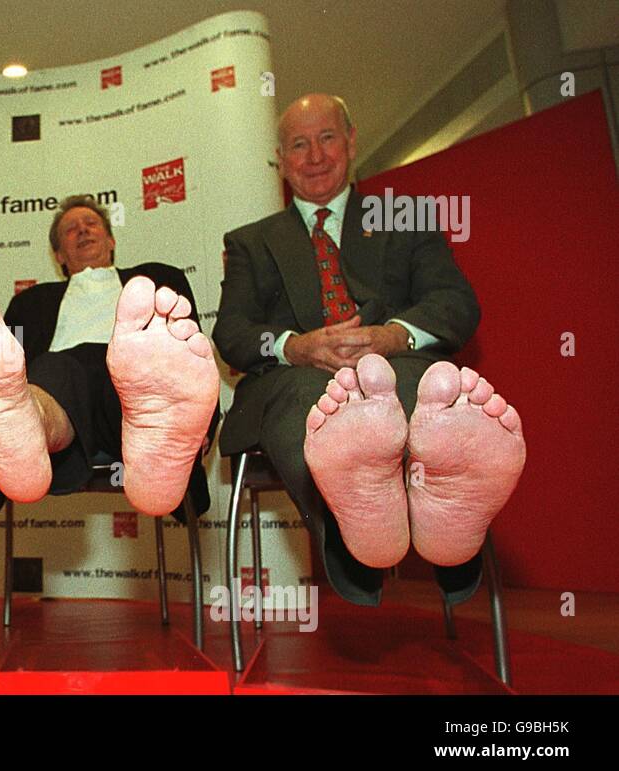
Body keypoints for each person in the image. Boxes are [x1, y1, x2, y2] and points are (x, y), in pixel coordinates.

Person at [214, 94, 526, 606]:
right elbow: (232, 331)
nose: (314, 155)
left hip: (400, 365)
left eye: (327, 137)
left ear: (352, 141)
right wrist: (296, 345)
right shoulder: (251, 241)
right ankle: (354, 531)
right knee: (309, 401)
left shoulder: (402, 216)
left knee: (419, 389)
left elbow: (455, 301)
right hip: (294, 381)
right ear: (281, 159)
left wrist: (394, 334)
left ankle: (446, 528)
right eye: (298, 144)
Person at [0, 197, 220, 521]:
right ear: (59, 255)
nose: (83, 231)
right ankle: (29, 427)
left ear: (111, 240)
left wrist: (205, 423)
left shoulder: (159, 280)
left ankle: (160, 445)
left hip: (129, 398)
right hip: (63, 404)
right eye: (71, 230)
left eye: (91, 224)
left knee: (122, 371)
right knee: (57, 366)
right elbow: (8, 374)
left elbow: (191, 356)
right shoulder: (30, 302)